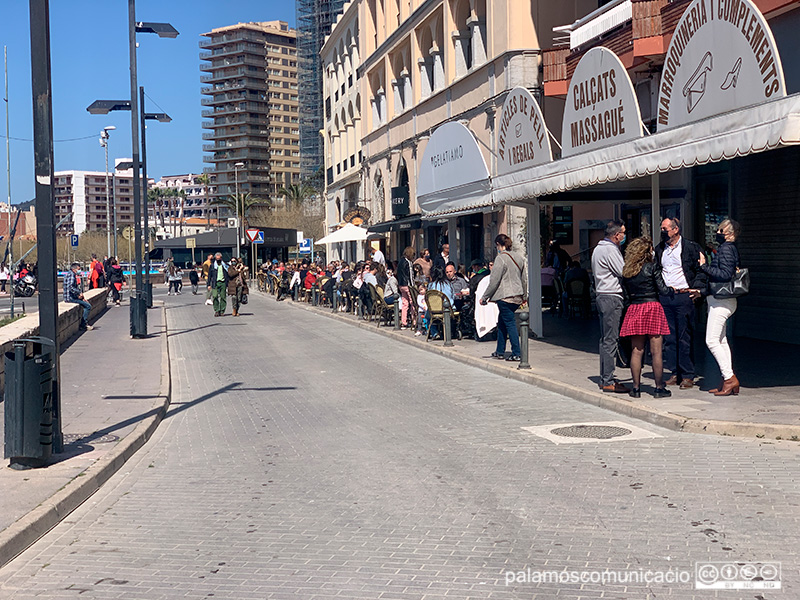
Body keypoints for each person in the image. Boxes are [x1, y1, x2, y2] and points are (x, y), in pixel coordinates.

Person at [654, 217, 706, 389]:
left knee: (684, 336)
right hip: (667, 296)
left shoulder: (690, 247)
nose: (663, 232)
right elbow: (657, 271)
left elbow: (701, 270)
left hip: (684, 295)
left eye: (665, 229)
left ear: (676, 230)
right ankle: (674, 372)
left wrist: (697, 289)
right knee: (669, 337)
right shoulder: (660, 249)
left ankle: (687, 374)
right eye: (661, 229)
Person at [619, 236, 672, 399]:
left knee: (636, 351)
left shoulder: (627, 271)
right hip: (652, 307)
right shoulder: (652, 267)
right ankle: (658, 388)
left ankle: (635, 388)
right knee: (656, 352)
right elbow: (663, 290)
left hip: (635, 308)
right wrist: (672, 290)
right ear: (646, 251)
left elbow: (626, 296)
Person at [699, 218, 742, 396]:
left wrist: (704, 266)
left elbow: (724, 274)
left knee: (711, 340)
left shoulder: (726, 249)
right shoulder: (729, 249)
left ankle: (729, 378)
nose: (717, 232)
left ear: (730, 233)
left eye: (721, 230)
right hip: (722, 300)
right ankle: (728, 379)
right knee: (721, 341)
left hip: (721, 301)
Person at [591, 220, 629, 393]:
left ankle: (605, 376)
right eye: (623, 233)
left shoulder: (598, 248)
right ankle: (607, 379)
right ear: (616, 235)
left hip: (601, 295)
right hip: (611, 296)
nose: (624, 236)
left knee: (605, 338)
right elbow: (623, 272)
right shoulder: (610, 250)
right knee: (610, 339)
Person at [480, 234, 527, 362]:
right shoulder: (519, 257)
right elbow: (524, 278)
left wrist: (485, 297)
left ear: (499, 245)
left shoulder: (500, 259)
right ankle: (500, 351)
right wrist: (524, 295)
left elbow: (494, 280)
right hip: (517, 295)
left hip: (505, 296)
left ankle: (517, 352)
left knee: (510, 323)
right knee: (502, 322)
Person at [64, 262, 92, 331]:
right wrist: (79, 292)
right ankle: (83, 324)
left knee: (84, 302)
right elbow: (70, 287)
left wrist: (80, 296)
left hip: (72, 296)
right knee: (88, 306)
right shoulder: (71, 275)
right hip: (70, 298)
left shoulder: (70, 274)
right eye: (79, 269)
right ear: (74, 269)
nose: (80, 271)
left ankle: (84, 323)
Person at [397, 246, 416, 328]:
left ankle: (403, 321)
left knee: (405, 304)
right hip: (407, 285)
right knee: (413, 303)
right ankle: (414, 320)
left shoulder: (400, 261)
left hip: (401, 285)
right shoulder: (408, 263)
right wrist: (413, 285)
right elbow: (410, 275)